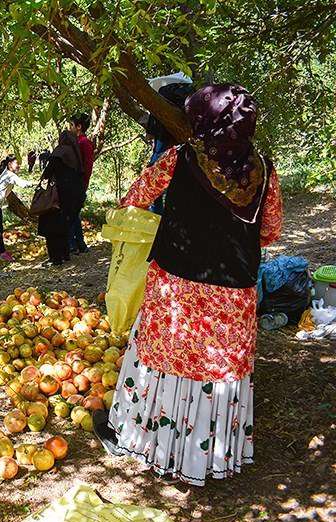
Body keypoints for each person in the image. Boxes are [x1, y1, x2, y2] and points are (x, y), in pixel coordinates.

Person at [93, 84, 284, 486]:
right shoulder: (264, 169)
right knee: (218, 369)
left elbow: (135, 198)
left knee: (166, 360)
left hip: (176, 288)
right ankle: (213, 457)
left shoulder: (179, 159)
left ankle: (147, 442)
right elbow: (270, 231)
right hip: (234, 293)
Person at [145, 82, 195, 214]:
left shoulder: (162, 93)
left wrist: (151, 133)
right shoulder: (188, 95)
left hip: (163, 138)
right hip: (178, 141)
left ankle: (157, 211)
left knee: (155, 172)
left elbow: (153, 125)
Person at [37, 130, 85, 266]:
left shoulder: (59, 153)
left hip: (57, 198)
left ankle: (55, 258)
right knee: (65, 225)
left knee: (52, 228)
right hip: (72, 198)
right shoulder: (75, 154)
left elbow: (47, 173)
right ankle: (65, 254)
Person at [69, 113, 94, 254]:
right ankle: (79, 243)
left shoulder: (83, 142)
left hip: (78, 184)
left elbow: (87, 166)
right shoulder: (76, 141)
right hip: (76, 184)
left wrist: (83, 184)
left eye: (72, 125)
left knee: (71, 214)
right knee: (74, 214)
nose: (70, 128)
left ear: (79, 127)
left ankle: (73, 244)